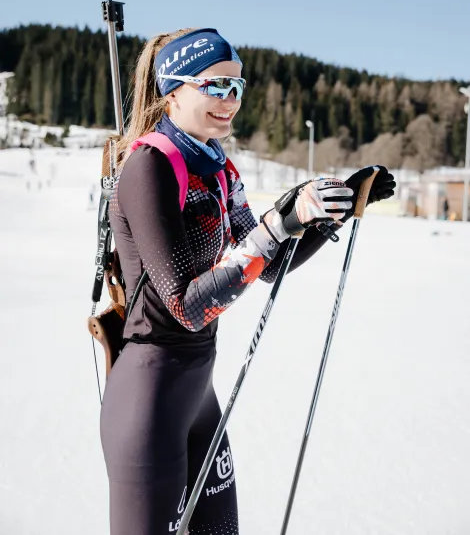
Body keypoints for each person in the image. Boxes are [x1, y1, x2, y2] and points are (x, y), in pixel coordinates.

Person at [100, 27, 396, 535]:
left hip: (196, 396)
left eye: (237, 88)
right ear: (174, 89)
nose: (229, 101)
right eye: (215, 86)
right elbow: (188, 306)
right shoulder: (149, 167)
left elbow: (268, 264)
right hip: (148, 400)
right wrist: (278, 224)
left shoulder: (219, 168)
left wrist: (327, 215)